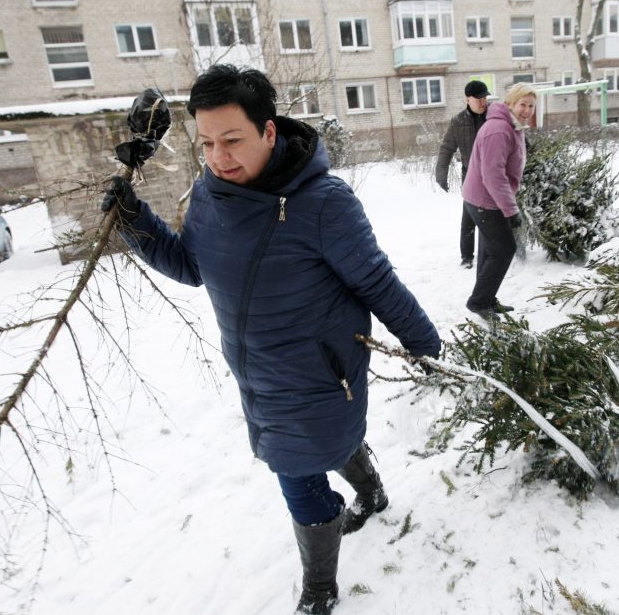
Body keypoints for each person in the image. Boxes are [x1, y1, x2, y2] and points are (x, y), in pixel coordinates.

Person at [102, 65, 441, 615]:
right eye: (207, 142)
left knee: (300, 473)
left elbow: (376, 280)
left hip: (322, 371)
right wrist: (133, 219)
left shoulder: (325, 202)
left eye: (232, 140)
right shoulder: (209, 193)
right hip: (257, 370)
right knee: (325, 446)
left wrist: (426, 348)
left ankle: (319, 588)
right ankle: (373, 492)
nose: (217, 156)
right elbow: (192, 265)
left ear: (269, 131)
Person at [460, 82, 536, 320]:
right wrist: (511, 210)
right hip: (486, 200)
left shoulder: (510, 125)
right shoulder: (499, 130)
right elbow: (493, 175)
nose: (527, 110)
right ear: (510, 103)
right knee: (504, 248)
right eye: (523, 104)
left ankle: (486, 297)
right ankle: (479, 301)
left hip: (480, 198)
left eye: (531, 106)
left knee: (490, 249)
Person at [435, 80, 490, 269]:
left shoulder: (496, 116)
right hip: (471, 176)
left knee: (499, 216)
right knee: (469, 217)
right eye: (478, 99)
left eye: (485, 97)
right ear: (468, 99)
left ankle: (505, 251)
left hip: (495, 175)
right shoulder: (458, 122)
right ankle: (467, 258)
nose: (483, 102)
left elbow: (517, 137)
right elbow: (447, 147)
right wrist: (441, 173)